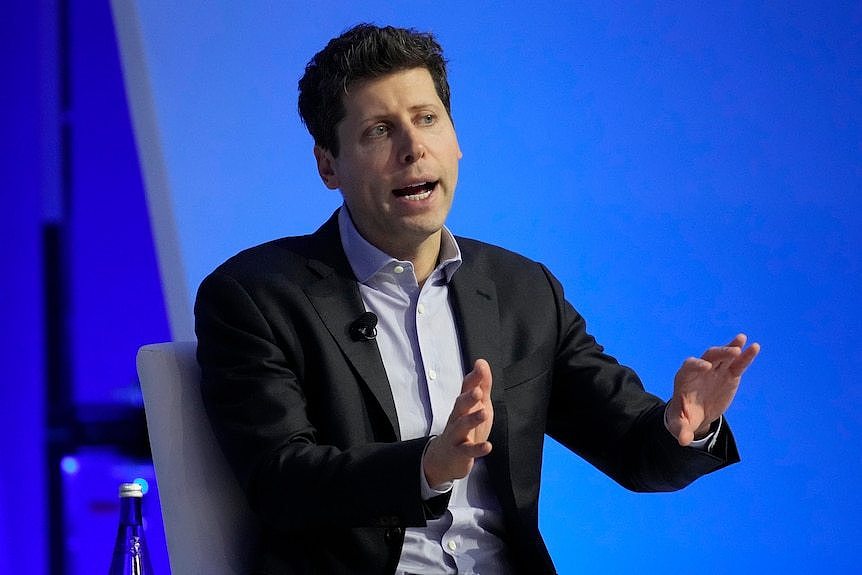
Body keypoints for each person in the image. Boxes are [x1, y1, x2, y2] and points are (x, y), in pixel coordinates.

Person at [194, 23, 760, 575]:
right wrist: (426, 466)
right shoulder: (256, 295)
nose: (413, 149)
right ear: (327, 165)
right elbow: (281, 482)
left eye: (427, 119)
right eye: (378, 131)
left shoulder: (522, 290)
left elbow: (634, 452)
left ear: (456, 140)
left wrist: (684, 426)